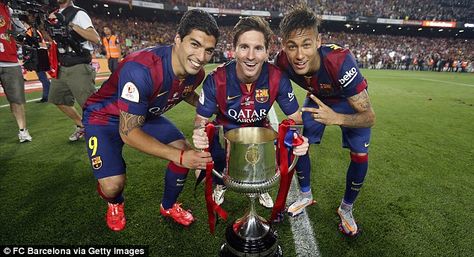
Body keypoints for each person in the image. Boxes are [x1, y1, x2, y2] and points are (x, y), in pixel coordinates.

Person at [82, 9, 218, 231]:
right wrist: (179, 156)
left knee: (183, 148)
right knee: (112, 186)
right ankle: (115, 203)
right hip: (104, 118)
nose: (201, 57)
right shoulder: (141, 68)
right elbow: (129, 133)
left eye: (208, 50)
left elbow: (184, 92)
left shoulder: (197, 73)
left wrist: (214, 107)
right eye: (195, 44)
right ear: (177, 39)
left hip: (143, 114)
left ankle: (168, 205)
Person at [276, 5, 376, 236]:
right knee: (299, 142)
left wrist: (337, 118)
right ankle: (306, 195)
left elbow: (369, 117)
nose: (299, 55)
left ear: (318, 41)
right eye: (292, 46)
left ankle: (346, 209)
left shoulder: (339, 61)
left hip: (348, 103)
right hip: (318, 98)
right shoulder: (282, 61)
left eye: (306, 45)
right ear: (283, 46)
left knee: (360, 154)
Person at [192, 16, 309, 209]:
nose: (251, 56)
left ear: (267, 52)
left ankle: (261, 188)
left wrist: (298, 139)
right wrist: (198, 133)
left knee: (273, 148)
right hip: (225, 132)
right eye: (244, 47)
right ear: (235, 49)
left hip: (258, 133)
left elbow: (295, 119)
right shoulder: (216, 79)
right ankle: (221, 185)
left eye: (258, 48)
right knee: (202, 173)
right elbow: (201, 119)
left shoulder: (277, 78)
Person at [46, 0, 99, 141]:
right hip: (61, 65)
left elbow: (95, 38)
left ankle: (103, 133)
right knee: (57, 98)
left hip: (78, 65)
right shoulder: (55, 14)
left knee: (90, 105)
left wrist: (70, 25)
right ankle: (82, 125)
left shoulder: (78, 13)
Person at [0, 1, 32, 143]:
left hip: (10, 60)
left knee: (17, 99)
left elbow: (18, 33)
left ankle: (23, 131)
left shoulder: (9, 10)